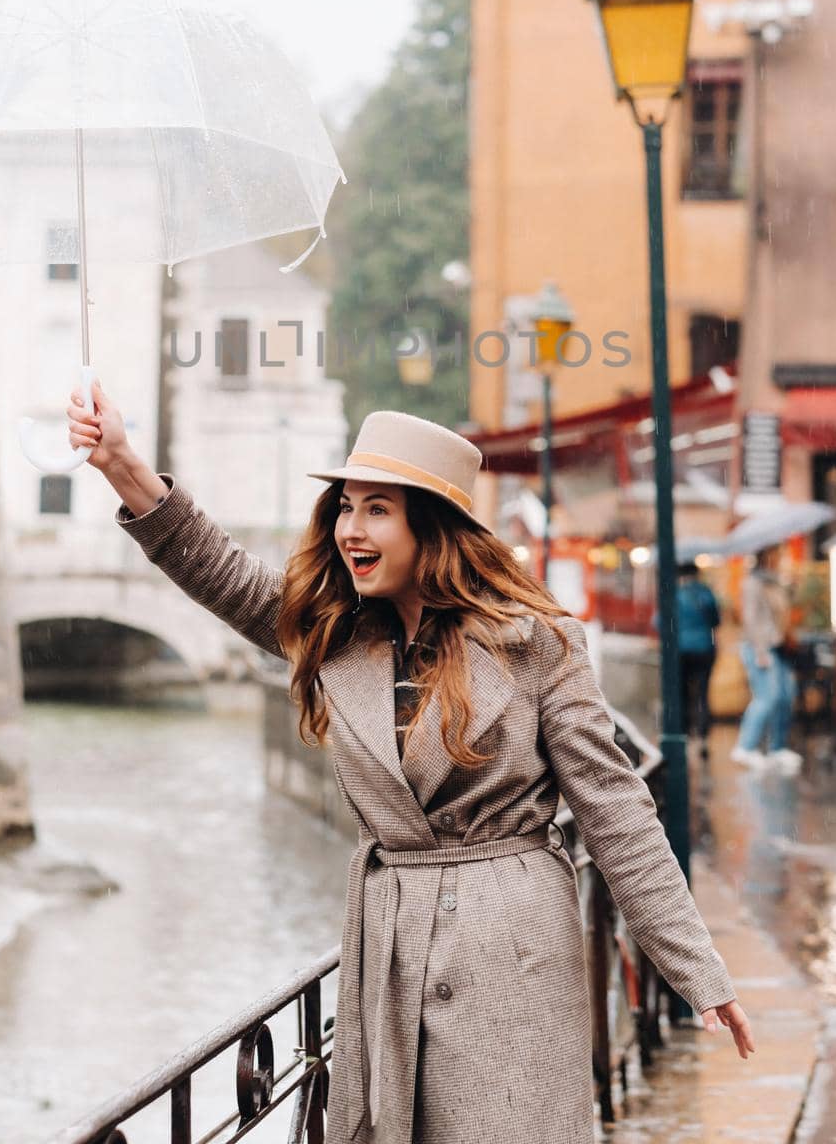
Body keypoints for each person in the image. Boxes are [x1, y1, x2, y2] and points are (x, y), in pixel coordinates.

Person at [68, 387, 755, 1144]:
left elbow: (615, 812)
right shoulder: (334, 635)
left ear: (432, 528)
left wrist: (695, 970)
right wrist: (121, 462)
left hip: (511, 955)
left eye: (376, 510)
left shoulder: (538, 646)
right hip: (390, 946)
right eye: (344, 507)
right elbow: (217, 568)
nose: (349, 531)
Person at [731, 548, 802, 774]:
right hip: (760, 647)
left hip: (778, 646)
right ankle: (745, 747)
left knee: (785, 697)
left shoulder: (775, 582)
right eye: (776, 555)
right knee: (766, 697)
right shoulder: (753, 583)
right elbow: (751, 620)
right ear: (765, 557)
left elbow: (783, 611)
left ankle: (777, 748)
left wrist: (790, 585)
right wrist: (760, 650)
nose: (780, 559)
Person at [674, 560, 721, 760]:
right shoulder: (706, 593)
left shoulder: (674, 595)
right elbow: (716, 620)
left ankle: (684, 737)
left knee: (683, 694)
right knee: (703, 692)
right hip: (704, 648)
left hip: (681, 649)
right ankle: (703, 738)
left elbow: (659, 621)